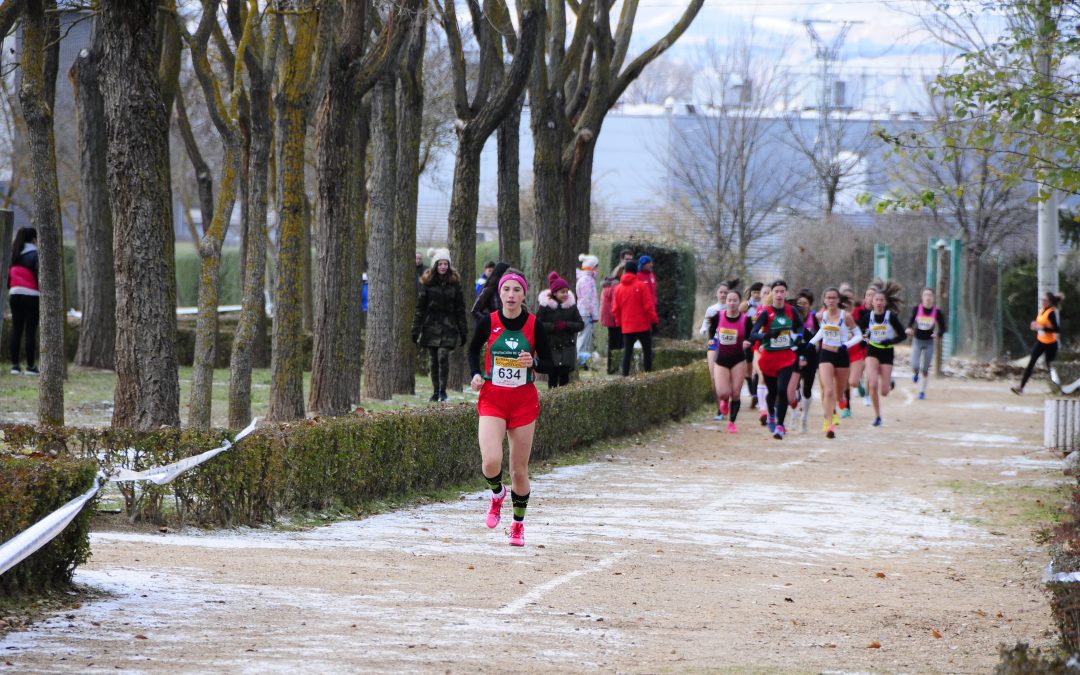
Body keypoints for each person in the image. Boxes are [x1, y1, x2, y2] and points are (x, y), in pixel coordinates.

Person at [468, 270, 554, 547]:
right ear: (500, 294)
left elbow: (550, 363)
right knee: (491, 461)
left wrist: (535, 363)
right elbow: (471, 350)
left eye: (517, 290)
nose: (511, 295)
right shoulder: (488, 322)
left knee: (519, 469)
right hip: (493, 397)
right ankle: (496, 495)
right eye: (507, 290)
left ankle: (517, 525)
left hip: (523, 402)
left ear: (523, 295)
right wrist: (475, 374)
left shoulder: (533, 324)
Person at [749, 280, 803, 440]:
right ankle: (771, 414)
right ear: (772, 294)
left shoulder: (791, 310)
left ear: (786, 293)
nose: (779, 295)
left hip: (786, 357)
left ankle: (780, 425)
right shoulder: (765, 312)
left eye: (782, 291)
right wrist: (765, 335)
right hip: (769, 359)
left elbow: (799, 326)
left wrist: (799, 337)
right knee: (772, 392)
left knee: (782, 391)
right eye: (776, 292)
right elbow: (752, 334)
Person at [411, 248, 468, 402]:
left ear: (449, 266)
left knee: (443, 356)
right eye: (440, 264)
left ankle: (443, 391)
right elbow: (420, 308)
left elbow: (460, 309)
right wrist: (415, 330)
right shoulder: (427, 284)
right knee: (433, 360)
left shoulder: (455, 285)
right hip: (431, 327)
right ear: (435, 265)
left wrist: (463, 331)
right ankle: (435, 391)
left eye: (445, 264)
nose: (443, 266)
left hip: (449, 328)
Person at [807, 287, 862, 438]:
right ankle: (829, 424)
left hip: (841, 355)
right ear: (824, 300)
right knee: (828, 390)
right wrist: (811, 343)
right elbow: (822, 331)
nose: (831, 300)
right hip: (825, 354)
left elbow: (859, 335)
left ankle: (842, 400)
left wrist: (847, 345)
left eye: (833, 298)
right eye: (828, 298)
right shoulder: (821, 315)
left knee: (838, 394)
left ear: (838, 300)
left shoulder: (846, 316)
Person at [706, 289, 753, 433]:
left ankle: (732, 422)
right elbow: (712, 330)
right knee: (723, 393)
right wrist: (710, 340)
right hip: (722, 359)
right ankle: (724, 401)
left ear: (739, 302)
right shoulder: (718, 316)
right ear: (726, 302)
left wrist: (747, 341)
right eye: (729, 300)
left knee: (736, 393)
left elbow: (751, 336)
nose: (732, 303)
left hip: (738, 359)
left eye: (735, 300)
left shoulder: (745, 319)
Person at [861, 281, 906, 427]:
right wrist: (865, 337)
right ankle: (878, 416)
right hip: (872, 351)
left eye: (881, 300)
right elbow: (862, 333)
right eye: (876, 300)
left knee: (884, 391)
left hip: (887, 352)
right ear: (872, 302)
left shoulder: (890, 316)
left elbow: (902, 335)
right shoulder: (868, 317)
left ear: (885, 302)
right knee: (873, 384)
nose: (879, 302)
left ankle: (889, 382)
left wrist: (890, 341)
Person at [537, 271, 584, 388]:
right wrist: (553, 327)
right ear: (555, 293)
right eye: (562, 292)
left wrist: (566, 325)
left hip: (567, 349)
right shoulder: (544, 307)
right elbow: (538, 324)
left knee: (564, 379)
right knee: (552, 377)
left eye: (567, 291)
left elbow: (580, 324)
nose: (565, 294)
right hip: (551, 348)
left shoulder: (571, 307)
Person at [612, 260, 658, 376]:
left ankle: (625, 376)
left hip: (627, 326)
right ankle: (647, 374)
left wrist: (619, 324)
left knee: (627, 353)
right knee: (647, 352)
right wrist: (654, 320)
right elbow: (648, 306)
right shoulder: (641, 286)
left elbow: (615, 309)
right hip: (642, 325)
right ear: (636, 271)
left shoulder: (618, 289)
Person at [1012, 291, 1063, 395]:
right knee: (1031, 363)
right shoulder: (1042, 311)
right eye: (1042, 300)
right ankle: (1021, 387)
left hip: (1051, 344)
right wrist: (1035, 325)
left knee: (1050, 367)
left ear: (1050, 302)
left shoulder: (1051, 312)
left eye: (1045, 300)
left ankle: (1058, 388)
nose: (1043, 301)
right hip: (1041, 342)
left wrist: (1042, 328)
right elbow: (1041, 325)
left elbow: (1056, 329)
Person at [7, 227, 39, 375]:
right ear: (33, 239)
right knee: (30, 331)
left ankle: (15, 366)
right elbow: (39, 276)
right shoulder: (35, 254)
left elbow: (8, 279)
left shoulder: (13, 255)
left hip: (14, 294)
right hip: (31, 295)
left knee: (16, 329)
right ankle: (31, 366)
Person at [906, 288, 947, 400]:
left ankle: (922, 392)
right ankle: (915, 373)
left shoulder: (937, 312)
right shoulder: (917, 309)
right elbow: (910, 322)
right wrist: (909, 328)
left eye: (930, 295)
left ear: (933, 298)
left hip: (929, 342)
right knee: (915, 365)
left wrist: (938, 334)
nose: (928, 297)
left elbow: (943, 328)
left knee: (925, 368)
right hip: (917, 341)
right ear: (922, 297)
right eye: (925, 295)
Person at [700, 281, 731, 420]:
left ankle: (726, 403)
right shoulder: (711, 309)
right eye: (721, 292)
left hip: (730, 345)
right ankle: (719, 409)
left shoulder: (733, 308)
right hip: (714, 343)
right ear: (717, 293)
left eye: (726, 292)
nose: (723, 295)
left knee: (727, 377)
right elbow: (704, 326)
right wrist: (703, 330)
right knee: (713, 377)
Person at [790, 288, 820, 433]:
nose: (802, 305)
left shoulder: (813, 318)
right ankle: (794, 412)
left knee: (806, 388)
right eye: (799, 303)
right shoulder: (791, 317)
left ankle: (804, 417)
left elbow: (821, 336)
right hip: (794, 355)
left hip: (810, 356)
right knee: (793, 387)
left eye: (805, 303)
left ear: (810, 305)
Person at [575, 254, 600, 368]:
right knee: (583, 338)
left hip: (584, 312)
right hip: (586, 313)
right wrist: (593, 315)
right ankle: (581, 361)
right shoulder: (587, 280)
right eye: (597, 266)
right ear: (592, 267)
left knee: (584, 337)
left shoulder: (585, 279)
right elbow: (588, 300)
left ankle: (582, 360)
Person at [471, 261, 511, 325]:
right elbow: (475, 311)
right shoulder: (489, 289)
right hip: (493, 329)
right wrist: (489, 322)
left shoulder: (511, 292)